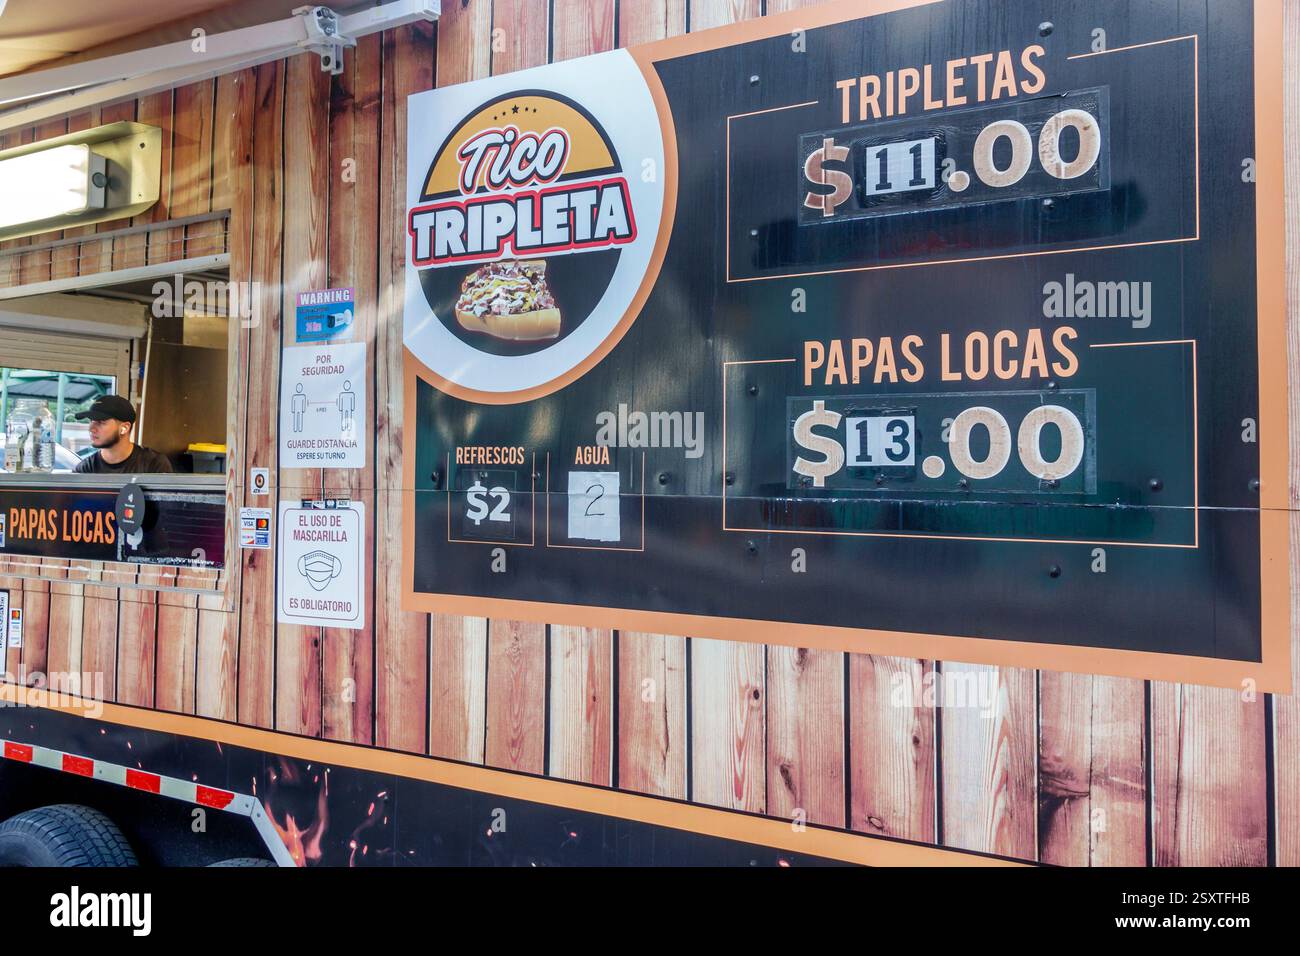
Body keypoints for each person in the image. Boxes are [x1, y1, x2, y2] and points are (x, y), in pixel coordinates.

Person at [71, 395, 172, 474]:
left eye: (101, 422)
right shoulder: (85, 469)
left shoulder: (154, 464)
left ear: (124, 428)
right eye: (91, 421)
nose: (91, 429)